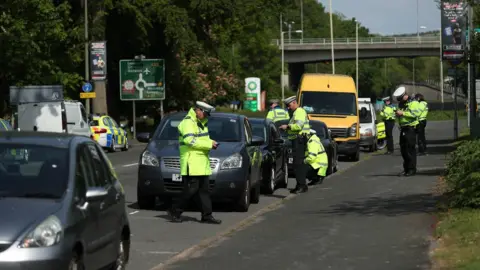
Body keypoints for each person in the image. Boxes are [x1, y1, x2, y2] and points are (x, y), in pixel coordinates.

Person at [167, 101, 221, 224]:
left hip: (201, 162)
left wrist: (212, 142)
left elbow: (203, 139)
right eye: (205, 113)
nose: (206, 116)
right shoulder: (187, 123)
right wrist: (209, 144)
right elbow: (190, 141)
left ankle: (207, 216)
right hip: (191, 162)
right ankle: (174, 210)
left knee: (204, 191)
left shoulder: (200, 123)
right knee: (190, 190)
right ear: (198, 110)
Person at [279, 96, 310, 193]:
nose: (288, 107)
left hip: (299, 140)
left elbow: (298, 126)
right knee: (297, 163)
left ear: (294, 102)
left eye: (289, 105)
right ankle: (300, 185)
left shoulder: (299, 112)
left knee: (298, 164)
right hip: (297, 140)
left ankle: (302, 185)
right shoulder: (296, 113)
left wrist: (287, 126)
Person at [393, 87, 422, 177]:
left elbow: (416, 114)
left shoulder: (413, 103)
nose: (400, 101)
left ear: (405, 95)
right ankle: (406, 169)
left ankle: (411, 169)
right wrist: (398, 114)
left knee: (410, 149)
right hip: (404, 128)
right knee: (403, 150)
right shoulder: (402, 104)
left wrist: (403, 113)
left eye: (400, 98)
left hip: (411, 128)